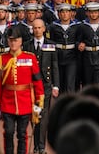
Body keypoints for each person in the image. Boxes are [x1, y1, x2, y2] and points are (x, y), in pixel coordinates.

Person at [0, 26, 44, 154]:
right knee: (9, 132)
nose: (13, 43)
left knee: (22, 134)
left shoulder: (30, 58)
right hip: (7, 102)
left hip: (25, 102)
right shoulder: (2, 59)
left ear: (21, 41)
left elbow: (37, 81)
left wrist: (39, 101)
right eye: (10, 40)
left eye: (15, 40)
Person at [23, 19, 60, 154]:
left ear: (44, 29)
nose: (37, 30)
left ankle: (41, 146)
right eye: (35, 28)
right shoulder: (27, 46)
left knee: (43, 115)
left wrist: (56, 85)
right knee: (34, 114)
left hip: (46, 84)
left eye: (39, 28)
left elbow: (55, 65)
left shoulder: (51, 45)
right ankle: (36, 146)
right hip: (31, 85)